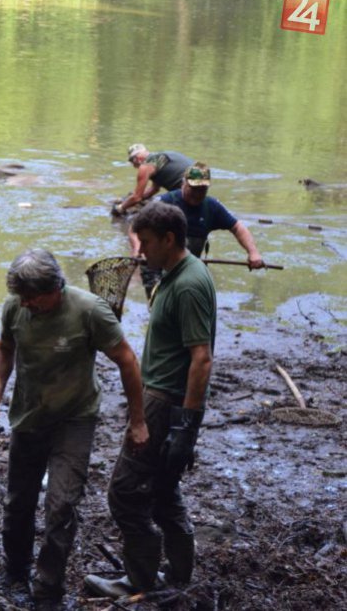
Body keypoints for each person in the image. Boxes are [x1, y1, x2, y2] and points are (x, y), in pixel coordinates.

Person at [0, 249, 148, 610]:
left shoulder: (89, 311)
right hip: (29, 415)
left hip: (75, 418)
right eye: (22, 297)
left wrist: (138, 420)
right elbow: (4, 347)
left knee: (62, 505)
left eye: (34, 297)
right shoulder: (16, 308)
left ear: (56, 287)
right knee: (18, 503)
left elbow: (127, 359)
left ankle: (48, 587)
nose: (27, 303)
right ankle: (16, 571)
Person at [85, 201, 216, 599]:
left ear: (169, 239)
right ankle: (178, 575)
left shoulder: (190, 284)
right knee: (163, 487)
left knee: (125, 492)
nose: (140, 251)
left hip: (165, 401)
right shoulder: (175, 273)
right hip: (163, 395)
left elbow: (202, 358)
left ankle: (140, 579)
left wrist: (185, 426)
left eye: (145, 243)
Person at [131, 162, 266, 297]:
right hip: (156, 266)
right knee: (160, 302)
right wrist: (138, 250)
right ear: (183, 183)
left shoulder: (211, 207)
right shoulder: (165, 202)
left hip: (187, 266)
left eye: (202, 190)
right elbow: (134, 228)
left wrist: (253, 253)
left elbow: (238, 228)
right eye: (193, 189)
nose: (197, 194)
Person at [113, 144, 193, 216]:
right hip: (200, 185)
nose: (134, 166)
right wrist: (129, 200)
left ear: (137, 159)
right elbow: (154, 189)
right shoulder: (158, 159)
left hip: (187, 191)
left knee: (153, 209)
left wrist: (120, 207)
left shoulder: (145, 166)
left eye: (131, 161)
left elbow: (137, 197)